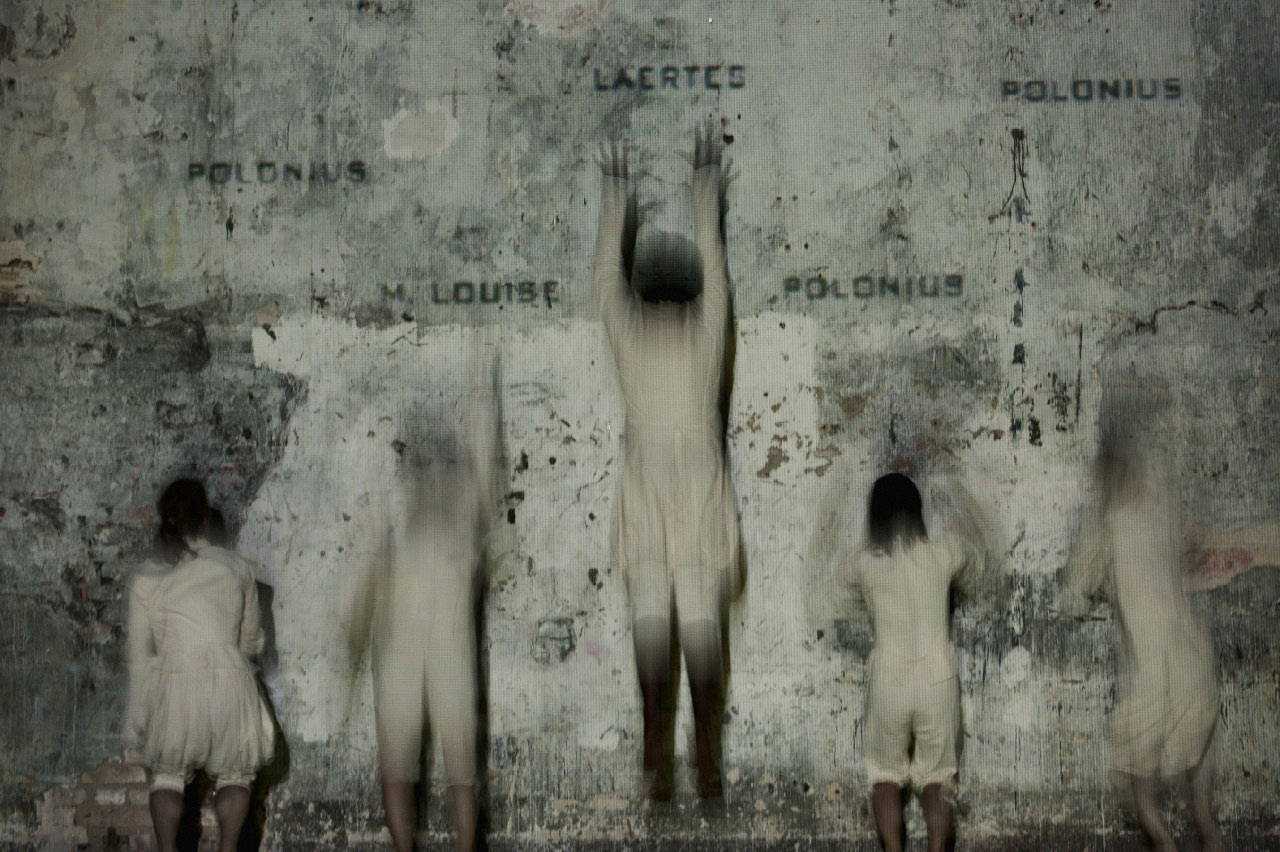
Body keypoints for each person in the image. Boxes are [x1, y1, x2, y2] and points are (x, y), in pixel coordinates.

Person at [593, 120, 743, 799]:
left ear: (645, 288)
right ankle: (705, 748)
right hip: (699, 478)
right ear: (684, 290)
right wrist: (704, 188)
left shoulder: (629, 333)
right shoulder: (704, 334)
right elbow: (717, 265)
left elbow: (605, 279)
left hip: (645, 478)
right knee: (702, 621)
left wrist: (615, 198)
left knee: (651, 613)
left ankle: (655, 732)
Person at [351, 386, 502, 852]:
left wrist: (351, 649)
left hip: (405, 650)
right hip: (442, 652)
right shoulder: (465, 525)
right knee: (456, 769)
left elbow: (368, 588)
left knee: (407, 768)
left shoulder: (411, 525)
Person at [1061, 433, 1225, 852]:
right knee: (1194, 756)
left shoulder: (1104, 525)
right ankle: (1209, 835)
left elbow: (1075, 595)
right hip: (1192, 656)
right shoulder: (1160, 508)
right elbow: (1193, 546)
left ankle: (1164, 843)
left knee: (1137, 771)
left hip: (1149, 666)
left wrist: (1086, 595)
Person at [845, 471, 1003, 852]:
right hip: (937, 677)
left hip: (889, 680)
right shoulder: (943, 553)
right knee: (938, 778)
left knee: (884, 777)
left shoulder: (864, 563)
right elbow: (981, 565)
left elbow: (837, 594)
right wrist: (962, 495)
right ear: (917, 512)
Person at [124, 479, 275, 852]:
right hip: (229, 681)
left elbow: (141, 656)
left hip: (176, 683)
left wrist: (139, 714)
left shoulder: (148, 576)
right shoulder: (237, 568)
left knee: (167, 776)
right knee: (236, 775)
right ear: (206, 519)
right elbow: (251, 643)